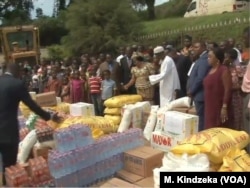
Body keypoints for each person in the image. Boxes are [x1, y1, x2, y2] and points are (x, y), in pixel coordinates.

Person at [0, 63, 62, 185]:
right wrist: (49, 116)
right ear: (17, 72)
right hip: (8, 131)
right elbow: (32, 105)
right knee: (9, 167)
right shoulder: (16, 84)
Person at [203, 48, 232, 129]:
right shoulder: (210, 70)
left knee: (217, 130)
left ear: (217, 59)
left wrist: (224, 107)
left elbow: (227, 89)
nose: (208, 58)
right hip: (209, 107)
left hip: (218, 107)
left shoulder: (223, 70)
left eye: (210, 57)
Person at [187, 41, 210, 131]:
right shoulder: (200, 59)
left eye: (196, 47)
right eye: (193, 47)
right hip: (198, 94)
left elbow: (200, 78)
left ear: (203, 48)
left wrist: (192, 90)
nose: (194, 50)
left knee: (201, 120)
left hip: (200, 95)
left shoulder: (204, 60)